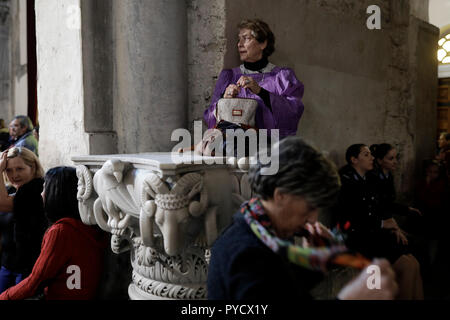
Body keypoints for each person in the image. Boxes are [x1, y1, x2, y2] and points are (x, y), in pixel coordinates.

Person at [207, 137, 398, 300]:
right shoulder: (245, 253)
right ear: (280, 195)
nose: (314, 219)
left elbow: (284, 290)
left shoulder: (264, 230)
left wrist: (316, 261)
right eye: (310, 207)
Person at [0, 166, 108, 300]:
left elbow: (36, 281)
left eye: (45, 188)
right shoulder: (85, 225)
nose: (41, 194)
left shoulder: (61, 232)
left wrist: (4, 297)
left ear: (56, 192)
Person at [336, 144, 423, 299]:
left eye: (371, 154)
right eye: (366, 155)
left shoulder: (369, 179)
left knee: (414, 263)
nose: (372, 158)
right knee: (407, 266)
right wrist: (382, 224)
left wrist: (393, 226)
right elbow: (349, 222)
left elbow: (380, 208)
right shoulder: (346, 183)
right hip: (360, 239)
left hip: (374, 234)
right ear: (354, 160)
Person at [203, 19, 305, 140]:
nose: (239, 44)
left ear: (263, 44)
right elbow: (209, 118)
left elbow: (292, 113)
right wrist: (224, 100)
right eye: (239, 39)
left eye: (246, 38)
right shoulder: (229, 77)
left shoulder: (282, 78)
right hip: (234, 149)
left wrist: (261, 92)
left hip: (269, 150)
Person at [0, 147, 47, 293]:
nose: (14, 175)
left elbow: (2, 203)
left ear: (32, 167)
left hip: (27, 268)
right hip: (7, 265)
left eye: (20, 169)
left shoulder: (36, 189)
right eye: (9, 170)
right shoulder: (16, 191)